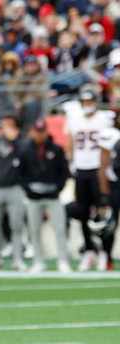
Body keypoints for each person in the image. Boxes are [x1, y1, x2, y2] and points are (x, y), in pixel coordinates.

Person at [64, 85, 116, 271]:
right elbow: (69, 142)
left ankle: (104, 252)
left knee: (103, 213)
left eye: (91, 100)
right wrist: (71, 161)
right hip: (81, 170)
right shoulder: (74, 118)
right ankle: (89, 251)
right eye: (85, 100)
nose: (88, 104)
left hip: (99, 172)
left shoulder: (104, 119)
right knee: (83, 212)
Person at [18, 119, 71, 273]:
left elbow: (64, 172)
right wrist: (29, 190)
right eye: (37, 131)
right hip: (34, 197)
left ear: (46, 131)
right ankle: (39, 261)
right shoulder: (25, 150)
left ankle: (62, 260)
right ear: (32, 132)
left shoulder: (56, 149)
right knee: (34, 230)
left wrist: (57, 189)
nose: (40, 135)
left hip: (53, 196)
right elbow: (20, 174)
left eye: (42, 131)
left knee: (59, 228)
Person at [0, 115, 27, 271]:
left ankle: (17, 258)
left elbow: (26, 157)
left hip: (15, 187)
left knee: (16, 224)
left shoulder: (22, 141)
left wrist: (15, 141)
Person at [96, 113, 120, 271]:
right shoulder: (112, 135)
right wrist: (103, 189)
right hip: (116, 184)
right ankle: (107, 257)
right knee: (111, 223)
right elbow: (104, 162)